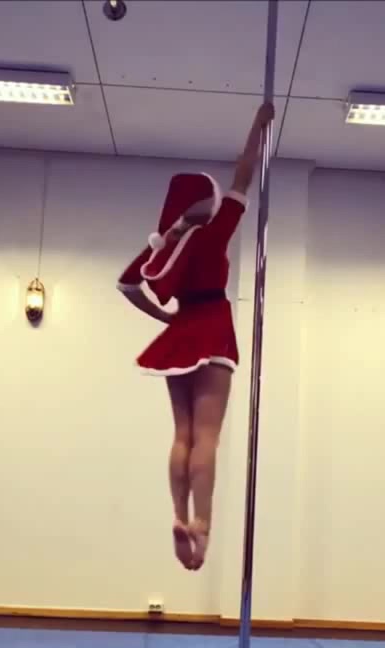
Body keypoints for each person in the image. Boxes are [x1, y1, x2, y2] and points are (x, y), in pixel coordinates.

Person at [117, 102, 275, 571]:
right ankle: (201, 525)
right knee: (208, 436)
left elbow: (128, 285)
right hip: (212, 327)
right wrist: (258, 125)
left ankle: (180, 514)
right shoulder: (213, 231)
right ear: (205, 202)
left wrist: (166, 319)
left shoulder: (165, 243)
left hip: (182, 328)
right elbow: (243, 176)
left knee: (183, 434)